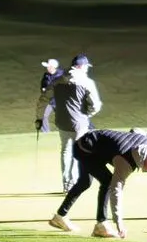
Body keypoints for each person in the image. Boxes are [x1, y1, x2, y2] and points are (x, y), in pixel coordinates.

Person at [48, 129, 147, 238]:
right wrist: (119, 223)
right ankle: (101, 225)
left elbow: (136, 130)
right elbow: (116, 191)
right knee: (107, 182)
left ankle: (59, 217)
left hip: (95, 147)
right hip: (84, 148)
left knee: (84, 182)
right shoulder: (125, 163)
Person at [35, 53, 103, 191]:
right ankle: (79, 182)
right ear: (81, 66)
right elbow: (95, 105)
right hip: (80, 124)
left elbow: (43, 99)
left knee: (66, 151)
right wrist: (86, 114)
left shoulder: (57, 81)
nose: (87, 69)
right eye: (86, 67)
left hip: (62, 122)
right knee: (80, 152)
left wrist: (39, 118)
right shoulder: (87, 82)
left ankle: (67, 183)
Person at [38, 58, 63, 133]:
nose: (47, 68)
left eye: (48, 66)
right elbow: (43, 85)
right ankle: (46, 133)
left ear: (53, 67)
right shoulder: (46, 75)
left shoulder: (61, 76)